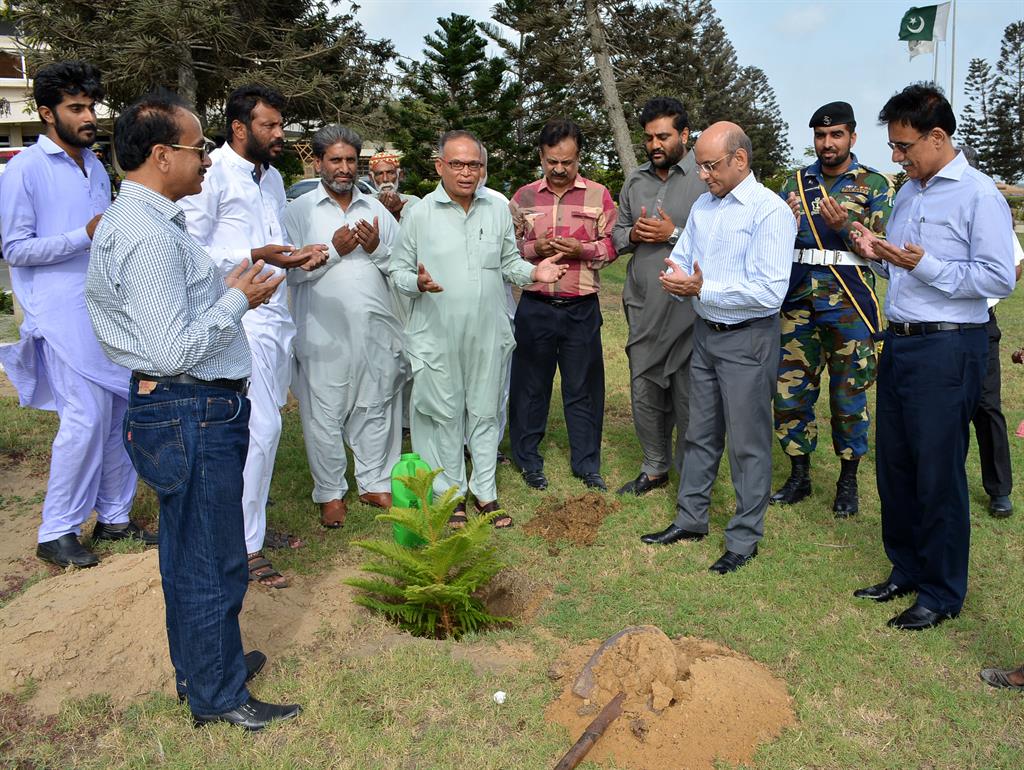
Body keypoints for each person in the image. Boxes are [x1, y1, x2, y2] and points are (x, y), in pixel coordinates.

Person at [85, 90, 300, 729]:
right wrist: (237, 299)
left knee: (190, 553)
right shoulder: (146, 233)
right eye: (196, 146)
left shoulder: (154, 221)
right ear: (160, 155)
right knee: (211, 559)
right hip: (189, 407)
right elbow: (171, 346)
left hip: (184, 406)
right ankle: (217, 695)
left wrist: (235, 288)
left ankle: (207, 669)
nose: (205, 159)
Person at [850, 83, 1015, 630]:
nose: (897, 158)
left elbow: (998, 278)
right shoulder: (909, 193)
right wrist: (873, 253)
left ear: (938, 136)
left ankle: (942, 592)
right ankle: (906, 569)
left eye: (904, 147)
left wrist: (926, 266)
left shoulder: (978, 195)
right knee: (895, 464)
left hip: (949, 347)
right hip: (900, 341)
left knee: (937, 472)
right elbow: (901, 267)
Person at [0, 60, 154, 569]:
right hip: (58, 316)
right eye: (76, 108)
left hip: (102, 311)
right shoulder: (25, 169)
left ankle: (114, 518)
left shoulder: (95, 166)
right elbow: (15, 249)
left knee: (116, 416)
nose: (89, 116)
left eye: (91, 106)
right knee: (84, 420)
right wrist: (81, 236)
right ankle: (56, 531)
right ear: (47, 113)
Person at [180, 84, 326, 588]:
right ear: (240, 128)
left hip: (276, 315)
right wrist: (256, 256)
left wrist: (295, 255)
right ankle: (245, 548)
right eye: (270, 125)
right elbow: (190, 251)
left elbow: (273, 245)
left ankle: (250, 528)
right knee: (262, 429)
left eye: (280, 124)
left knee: (262, 430)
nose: (279, 134)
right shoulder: (212, 173)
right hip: (239, 317)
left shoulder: (273, 179)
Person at [388, 129, 567, 528]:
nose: (467, 173)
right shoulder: (419, 213)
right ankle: (451, 495)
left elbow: (508, 264)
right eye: (458, 164)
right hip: (437, 332)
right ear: (440, 167)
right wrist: (416, 282)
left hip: (488, 331)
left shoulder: (497, 208)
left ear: (483, 168)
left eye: (475, 165)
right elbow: (397, 269)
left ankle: (485, 493)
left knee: (485, 412)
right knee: (445, 414)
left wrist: (535, 271)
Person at [640, 122, 795, 574]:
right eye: (700, 166)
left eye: (710, 166)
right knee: (698, 432)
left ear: (740, 161)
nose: (703, 175)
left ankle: (744, 539)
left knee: (747, 443)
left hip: (748, 338)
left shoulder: (768, 212)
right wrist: (677, 279)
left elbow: (769, 292)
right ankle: (691, 519)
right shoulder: (705, 207)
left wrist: (701, 290)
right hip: (706, 334)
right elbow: (683, 256)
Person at [770, 102, 892, 517]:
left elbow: (885, 247)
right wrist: (781, 221)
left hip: (850, 305)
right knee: (789, 394)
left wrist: (845, 228)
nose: (827, 143)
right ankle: (799, 474)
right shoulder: (795, 182)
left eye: (836, 135)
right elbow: (775, 240)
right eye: (821, 136)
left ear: (852, 138)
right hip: (797, 302)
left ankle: (847, 481)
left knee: (848, 397)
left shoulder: (874, 183)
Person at [284, 125, 406, 528]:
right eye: (335, 160)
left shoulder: (376, 210)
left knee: (376, 405)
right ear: (317, 162)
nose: (344, 168)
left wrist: (377, 248)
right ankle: (330, 492)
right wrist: (334, 252)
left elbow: (400, 268)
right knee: (324, 412)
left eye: (351, 160)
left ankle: (374, 481)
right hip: (323, 333)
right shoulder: (298, 213)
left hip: (375, 329)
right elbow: (291, 277)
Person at [508, 118, 617, 492]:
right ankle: (528, 461)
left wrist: (581, 249)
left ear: (578, 158)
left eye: (567, 162)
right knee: (529, 387)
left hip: (580, 308)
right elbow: (507, 251)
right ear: (541, 155)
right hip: (535, 306)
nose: (559, 169)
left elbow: (611, 247)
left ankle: (587, 466)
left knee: (583, 388)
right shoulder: (523, 198)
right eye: (552, 161)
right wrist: (533, 250)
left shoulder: (598, 195)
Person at [612, 97, 706, 496]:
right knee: (645, 386)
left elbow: (722, 244)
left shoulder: (705, 180)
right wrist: (634, 234)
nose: (655, 144)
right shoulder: (635, 182)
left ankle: (690, 472)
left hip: (690, 310)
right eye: (649, 137)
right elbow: (615, 237)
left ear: (684, 135)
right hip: (643, 305)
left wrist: (672, 234)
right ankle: (654, 466)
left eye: (663, 136)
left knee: (688, 394)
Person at [960, 146, 1021, 518]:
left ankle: (999, 489)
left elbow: (1014, 265)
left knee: (986, 407)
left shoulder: (986, 203)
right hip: (940, 325)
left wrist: (976, 284)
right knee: (946, 412)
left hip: (981, 324)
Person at [368, 150, 420, 222]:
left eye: (390, 173)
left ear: (400, 175)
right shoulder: (365, 203)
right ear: (371, 178)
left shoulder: (414, 203)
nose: (385, 179)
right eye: (379, 174)